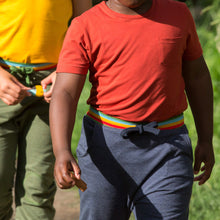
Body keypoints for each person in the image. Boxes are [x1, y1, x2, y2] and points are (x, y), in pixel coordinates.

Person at [50, 0, 215, 219]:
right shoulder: (85, 25)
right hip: (104, 151)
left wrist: (205, 138)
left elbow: (197, 76)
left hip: (167, 150)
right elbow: (65, 93)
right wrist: (61, 150)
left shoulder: (177, 15)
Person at [0, 1, 92, 220]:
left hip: (52, 86)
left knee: (38, 189)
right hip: (3, 80)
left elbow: (85, 23)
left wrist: (65, 69)